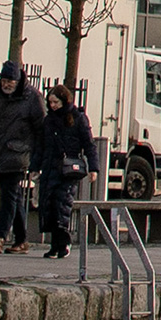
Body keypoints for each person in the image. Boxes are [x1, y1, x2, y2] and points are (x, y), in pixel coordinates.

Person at [0, 65, 42, 255]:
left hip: (19, 153)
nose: (6, 85)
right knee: (14, 196)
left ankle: (0, 235)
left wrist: (37, 156)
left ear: (18, 81)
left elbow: (40, 128)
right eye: (3, 81)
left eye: (10, 82)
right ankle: (21, 240)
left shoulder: (32, 97)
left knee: (9, 194)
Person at [37, 88, 99, 259]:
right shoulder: (48, 120)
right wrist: (35, 167)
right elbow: (41, 146)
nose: (52, 105)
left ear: (64, 101)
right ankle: (56, 245)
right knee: (49, 205)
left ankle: (63, 242)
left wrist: (93, 168)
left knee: (62, 204)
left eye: (56, 102)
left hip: (68, 170)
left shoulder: (78, 119)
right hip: (50, 168)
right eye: (50, 102)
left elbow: (89, 145)